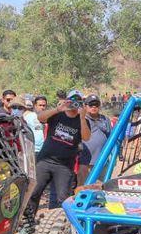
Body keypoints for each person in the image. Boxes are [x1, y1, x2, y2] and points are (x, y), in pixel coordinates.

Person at [24, 90, 91, 220]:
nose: (74, 104)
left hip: (64, 166)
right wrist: (58, 108)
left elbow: (86, 137)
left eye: (78, 102)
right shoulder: (57, 114)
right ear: (67, 101)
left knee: (63, 199)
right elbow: (40, 118)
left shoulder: (82, 120)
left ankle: (57, 224)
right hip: (45, 161)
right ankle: (28, 222)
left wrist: (82, 117)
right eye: (71, 101)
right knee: (33, 192)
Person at [78, 94, 114, 185]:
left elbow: (111, 137)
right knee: (82, 188)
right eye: (91, 104)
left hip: (103, 161)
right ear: (85, 106)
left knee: (103, 187)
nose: (94, 107)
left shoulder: (105, 119)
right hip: (85, 161)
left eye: (96, 104)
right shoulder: (81, 119)